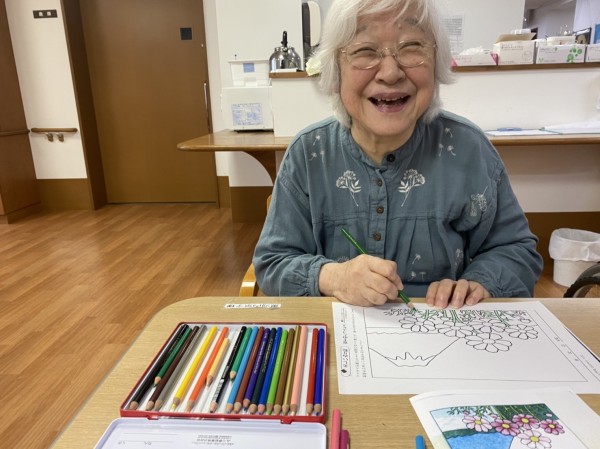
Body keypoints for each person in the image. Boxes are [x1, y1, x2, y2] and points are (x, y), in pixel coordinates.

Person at [253, 0, 543, 308]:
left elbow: (516, 250)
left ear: (436, 62)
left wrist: (478, 283)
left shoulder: (468, 149)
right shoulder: (309, 153)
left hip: (443, 328)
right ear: (336, 72)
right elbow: (272, 263)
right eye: (365, 51)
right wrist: (334, 277)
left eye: (412, 47)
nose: (390, 73)